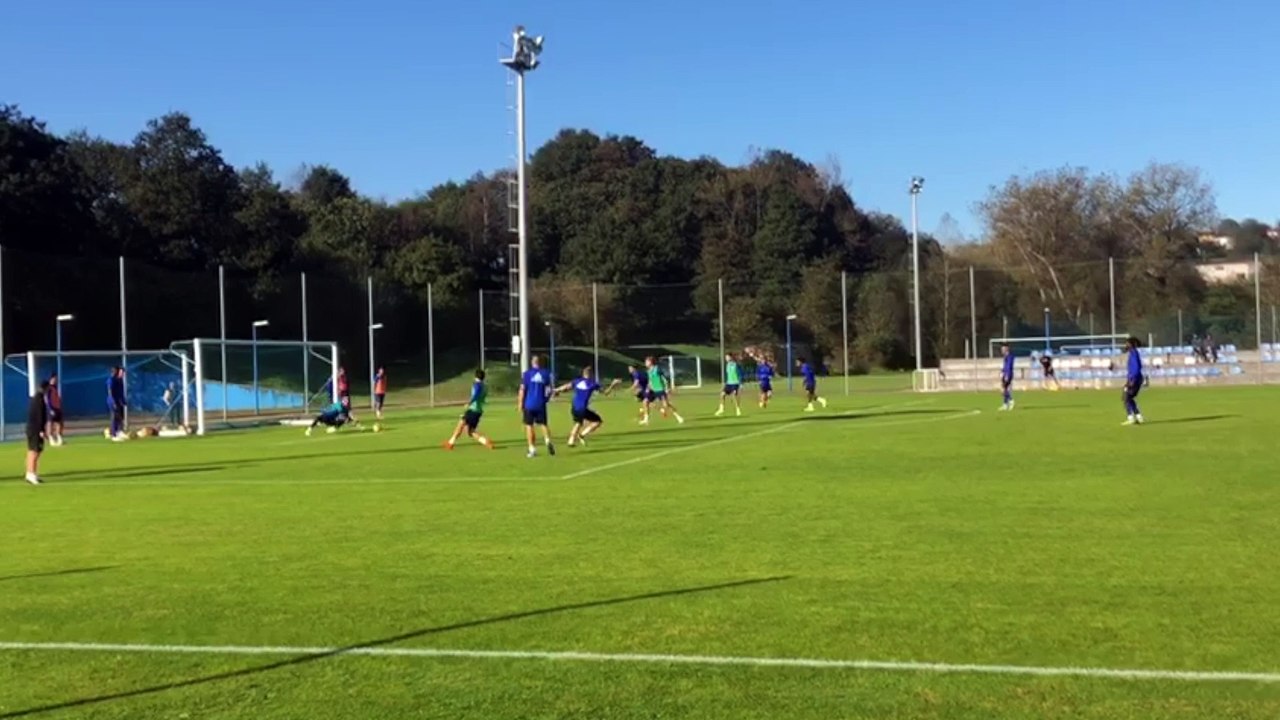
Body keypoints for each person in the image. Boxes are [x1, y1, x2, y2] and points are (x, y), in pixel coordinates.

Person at [555, 366, 621, 447]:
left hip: (574, 406)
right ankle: (571, 440)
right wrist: (613, 384)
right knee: (579, 423)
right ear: (591, 374)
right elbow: (606, 392)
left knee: (595, 421)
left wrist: (556, 390)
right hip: (582, 407)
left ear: (583, 374)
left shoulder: (577, 381)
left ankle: (581, 435)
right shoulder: (593, 383)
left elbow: (566, 387)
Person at [444, 369, 494, 450]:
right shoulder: (485, 386)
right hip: (479, 411)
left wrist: (469, 403)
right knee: (471, 431)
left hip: (473, 409)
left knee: (460, 424)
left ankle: (450, 443)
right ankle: (485, 441)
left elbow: (476, 394)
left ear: (475, 376)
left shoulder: (477, 385)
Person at [518, 355, 555, 458]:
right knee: (543, 424)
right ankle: (547, 441)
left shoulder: (527, 374)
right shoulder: (546, 374)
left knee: (529, 426)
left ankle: (532, 449)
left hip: (529, 404)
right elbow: (550, 390)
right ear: (540, 362)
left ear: (532, 362)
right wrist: (546, 399)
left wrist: (520, 403)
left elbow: (522, 389)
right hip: (540, 404)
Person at [644, 356, 684, 425]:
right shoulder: (648, 371)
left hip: (660, 389)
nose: (646, 363)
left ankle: (678, 417)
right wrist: (648, 388)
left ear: (651, 362)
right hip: (653, 390)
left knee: (666, 405)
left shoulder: (657, 369)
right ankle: (646, 419)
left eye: (647, 361)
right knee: (645, 402)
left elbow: (664, 379)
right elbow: (650, 381)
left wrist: (667, 388)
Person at [25, 381, 49, 484]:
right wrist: (41, 430)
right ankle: (31, 473)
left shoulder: (36, 398)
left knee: (34, 451)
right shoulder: (39, 400)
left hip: (32, 429)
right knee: (34, 451)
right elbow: (39, 416)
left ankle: (31, 473)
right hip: (35, 430)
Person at [1123, 337, 1145, 425]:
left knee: (1126, 397)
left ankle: (1131, 418)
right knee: (1128, 398)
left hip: (1135, 379)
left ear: (1131, 344)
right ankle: (1138, 417)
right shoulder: (1132, 354)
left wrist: (1132, 380)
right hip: (1133, 379)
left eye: (1127, 343)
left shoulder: (1134, 354)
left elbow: (1136, 368)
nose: (1125, 345)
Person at [716, 353, 744, 417]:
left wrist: (741, 383)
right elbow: (728, 375)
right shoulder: (727, 365)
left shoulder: (736, 365)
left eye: (727, 357)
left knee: (734, 395)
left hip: (735, 383)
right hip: (729, 383)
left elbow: (740, 374)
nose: (726, 359)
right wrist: (725, 382)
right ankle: (721, 408)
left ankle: (737, 409)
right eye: (726, 357)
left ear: (731, 357)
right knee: (722, 394)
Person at [106, 366, 128, 440]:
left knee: (121, 416)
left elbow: (121, 392)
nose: (123, 374)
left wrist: (124, 401)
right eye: (121, 372)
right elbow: (110, 392)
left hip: (119, 401)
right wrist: (113, 401)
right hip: (113, 401)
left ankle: (120, 431)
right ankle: (114, 434)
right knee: (115, 417)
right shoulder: (111, 380)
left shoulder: (120, 380)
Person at [45, 373, 64, 446]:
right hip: (52, 408)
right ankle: (51, 439)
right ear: (51, 379)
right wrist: (50, 409)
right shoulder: (49, 388)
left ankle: (59, 438)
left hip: (57, 407)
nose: (55, 380)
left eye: (56, 378)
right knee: (50, 423)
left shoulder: (55, 387)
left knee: (59, 423)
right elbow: (47, 399)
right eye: (54, 378)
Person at [999, 345, 1015, 411]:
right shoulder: (1006, 357)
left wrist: (1007, 375)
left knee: (1003, 389)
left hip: (1008, 374)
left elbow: (1009, 367)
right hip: (1005, 374)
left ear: (1006, 349)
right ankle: (1005, 404)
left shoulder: (1010, 357)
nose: (1001, 351)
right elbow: (1005, 366)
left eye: (1003, 349)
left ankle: (1011, 401)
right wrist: (1002, 371)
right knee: (1004, 389)